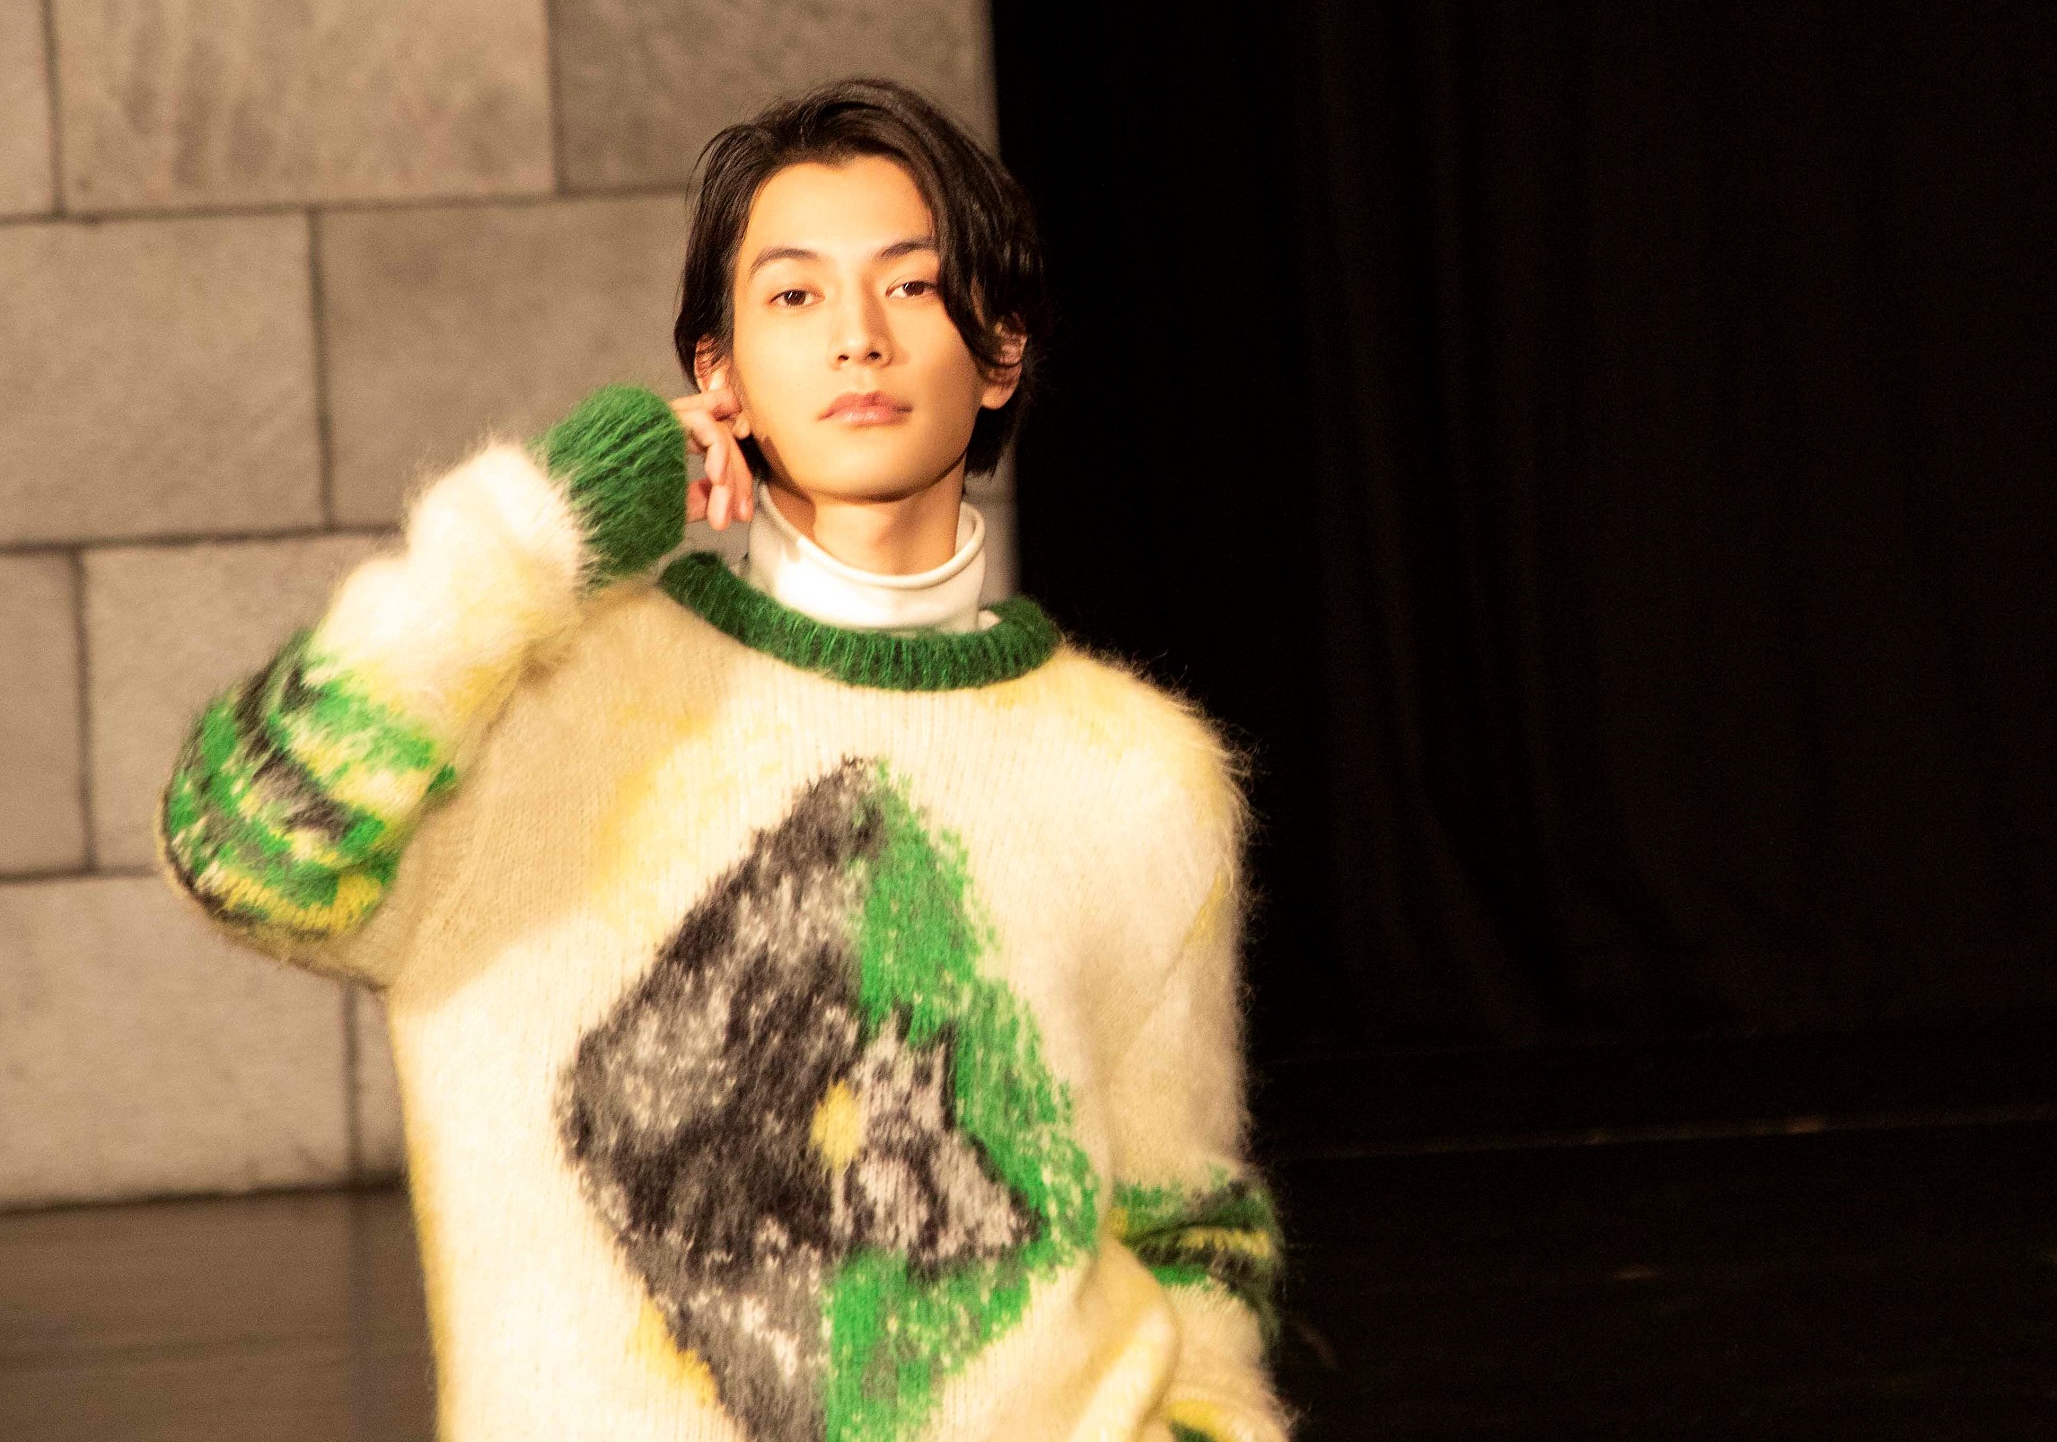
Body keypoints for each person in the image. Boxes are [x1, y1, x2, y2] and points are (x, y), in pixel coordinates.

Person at [156, 78, 1288, 1442]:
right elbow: (240, 850)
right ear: (720, 374)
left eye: (913, 286)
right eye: (795, 296)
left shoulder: (1142, 774)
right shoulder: (549, 694)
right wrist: (537, 532)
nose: (858, 337)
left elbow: (1186, 1226)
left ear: (1000, 351)